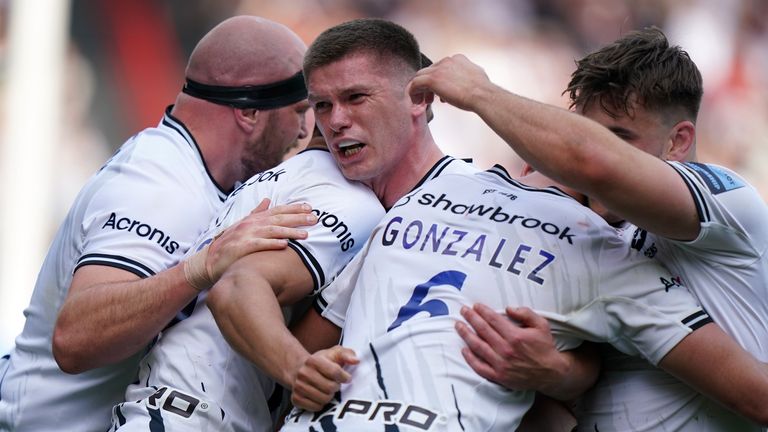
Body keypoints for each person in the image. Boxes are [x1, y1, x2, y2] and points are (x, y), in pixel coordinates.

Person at [409, 27, 768, 429]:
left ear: (677, 143)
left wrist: (480, 92)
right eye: (585, 129)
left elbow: (595, 163)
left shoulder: (726, 200)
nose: (581, 156)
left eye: (618, 139)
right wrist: (556, 372)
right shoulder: (592, 235)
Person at [0, 15, 315, 432]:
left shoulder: (204, 177)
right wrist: (199, 268)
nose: (304, 132)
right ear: (250, 113)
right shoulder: (160, 185)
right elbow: (74, 340)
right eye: (299, 111)